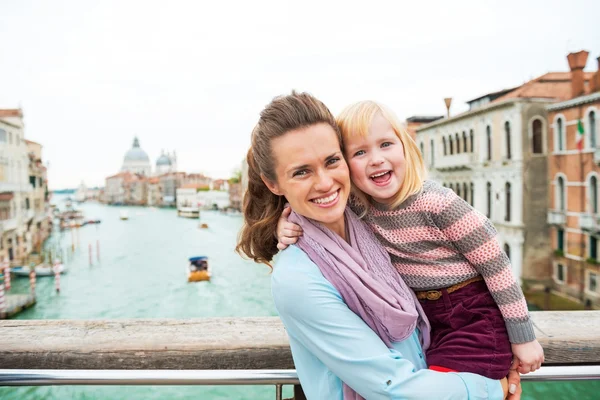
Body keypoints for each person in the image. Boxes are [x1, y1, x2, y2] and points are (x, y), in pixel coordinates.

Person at [237, 91, 521, 399]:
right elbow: (393, 389)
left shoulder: (368, 221)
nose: (324, 183)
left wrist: (491, 358)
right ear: (273, 184)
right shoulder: (297, 280)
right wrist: (493, 387)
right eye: (301, 172)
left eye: (332, 161)